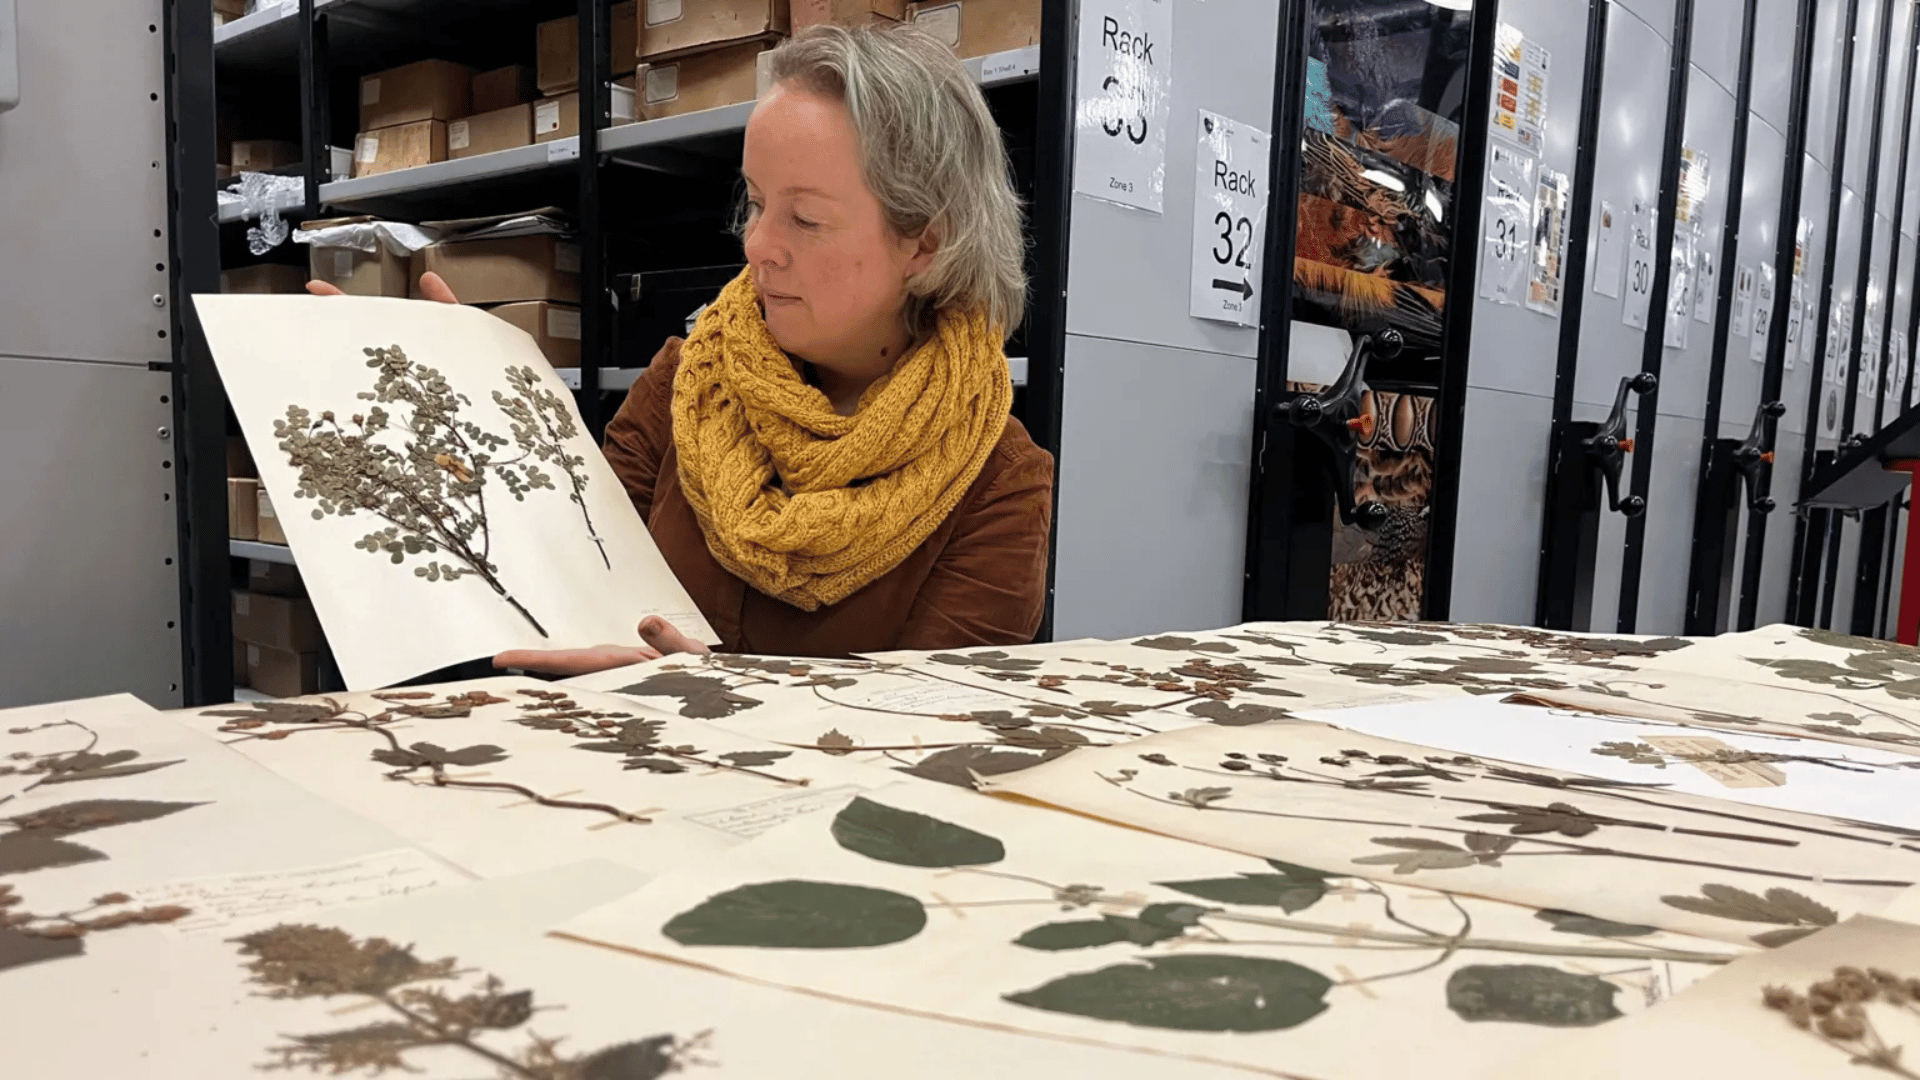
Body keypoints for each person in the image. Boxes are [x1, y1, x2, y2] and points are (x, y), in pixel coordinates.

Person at [311, 23, 1053, 674]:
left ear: (926, 239)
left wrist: (713, 692)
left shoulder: (997, 487)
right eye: (757, 203)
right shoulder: (688, 382)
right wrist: (465, 424)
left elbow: (932, 735)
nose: (758, 245)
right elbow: (571, 571)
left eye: (807, 219)